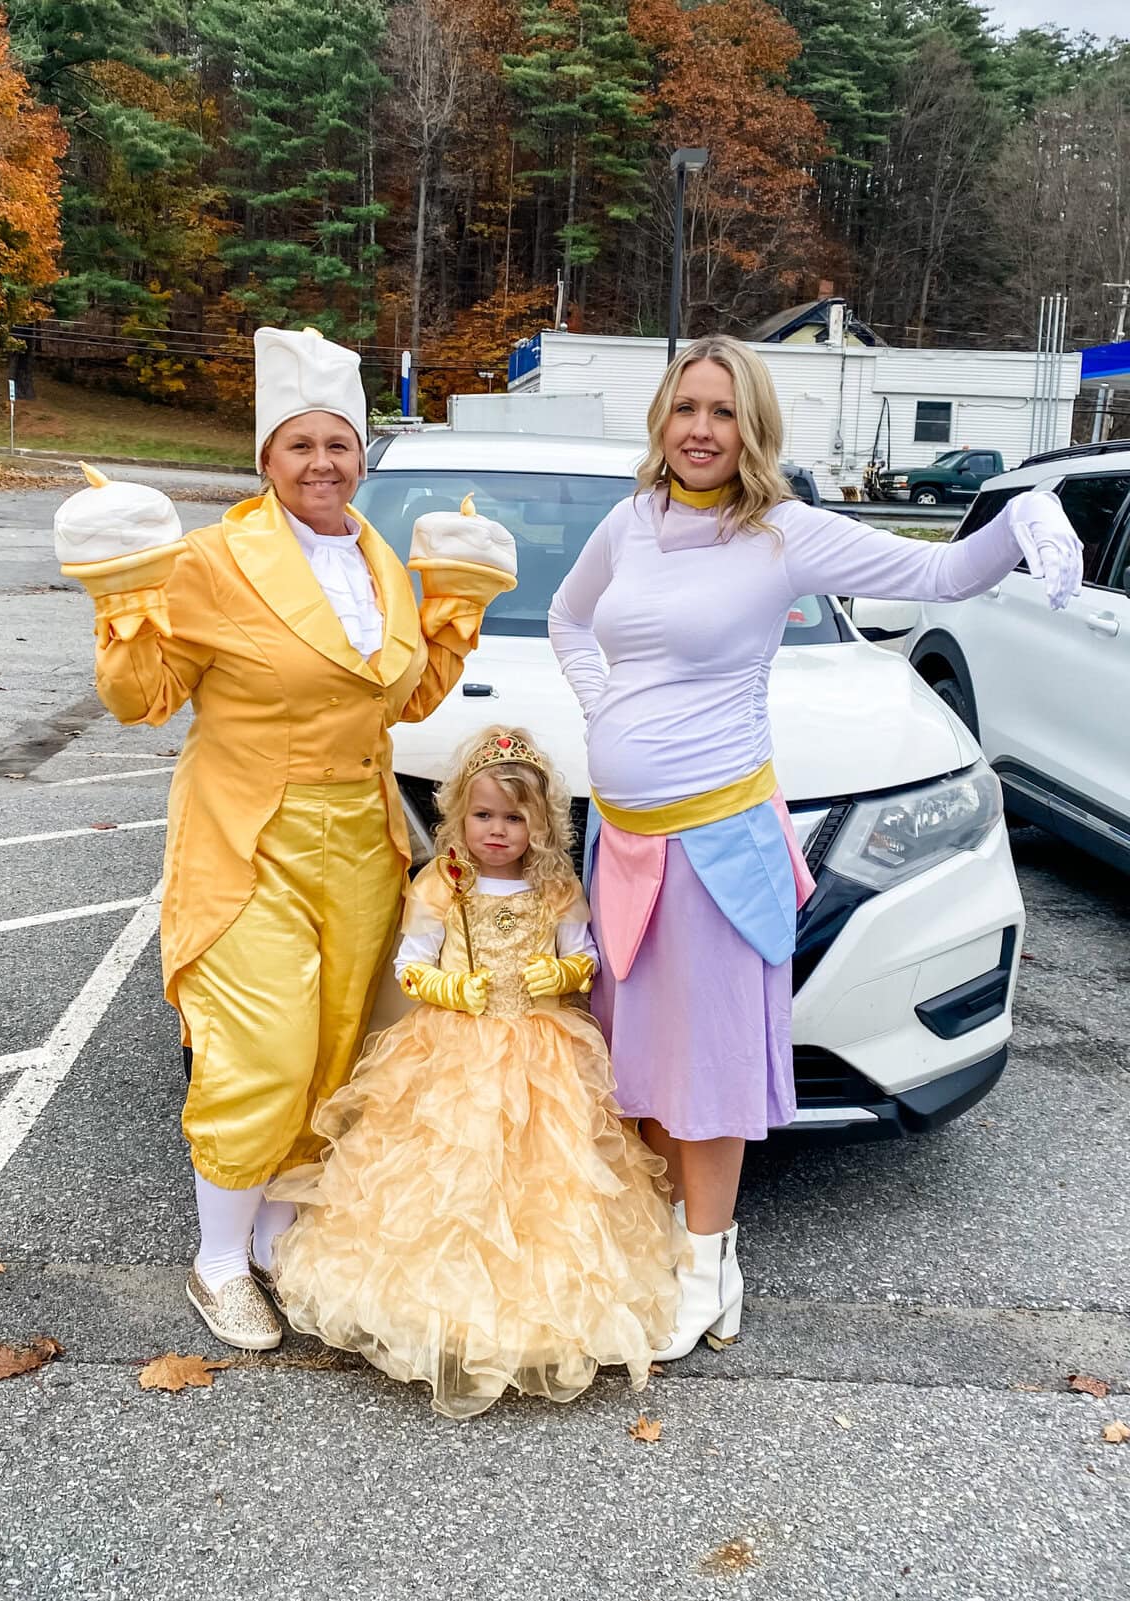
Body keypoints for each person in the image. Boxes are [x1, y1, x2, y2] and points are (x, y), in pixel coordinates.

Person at [547, 334, 1084, 1360]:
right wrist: (602, 699)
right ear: (661, 418)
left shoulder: (782, 534)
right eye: (687, 408)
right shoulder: (628, 524)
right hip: (628, 848)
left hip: (716, 847)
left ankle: (705, 1271)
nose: (702, 429)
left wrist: (1023, 514)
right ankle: (685, 1250)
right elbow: (573, 623)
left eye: (724, 411)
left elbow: (941, 569)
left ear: (753, 428)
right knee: (649, 1064)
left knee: (707, 1073)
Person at [53, 326, 516, 1351]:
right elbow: (144, 698)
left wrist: (449, 613)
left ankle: (271, 1232)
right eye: (300, 445)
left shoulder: (384, 561)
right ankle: (217, 1259)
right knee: (260, 1048)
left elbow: (399, 698)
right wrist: (121, 602)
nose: (322, 463)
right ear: (265, 459)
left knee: (334, 1044)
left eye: (340, 445)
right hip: (248, 832)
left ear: (362, 456)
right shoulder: (215, 559)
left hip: (358, 833)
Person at [267, 727, 682, 1418]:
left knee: (545, 1179)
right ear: (460, 813)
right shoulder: (442, 886)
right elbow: (409, 961)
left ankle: (537, 1310)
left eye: (515, 817)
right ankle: (430, 1308)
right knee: (446, 1169)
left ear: (541, 823)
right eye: (484, 814)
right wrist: (447, 988)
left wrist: (567, 970)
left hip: (540, 1048)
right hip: (451, 1047)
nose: (497, 829)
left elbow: (585, 952)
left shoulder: (554, 889)